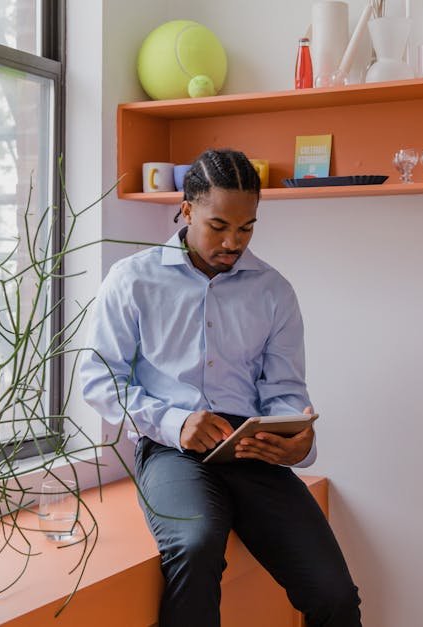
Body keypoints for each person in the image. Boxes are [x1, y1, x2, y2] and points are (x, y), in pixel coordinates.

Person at [79, 148, 362, 626]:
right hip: (169, 447)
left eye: (247, 227)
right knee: (194, 545)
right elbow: (98, 379)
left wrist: (296, 439)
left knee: (334, 592)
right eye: (219, 226)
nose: (234, 241)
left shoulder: (274, 291)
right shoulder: (132, 280)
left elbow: (285, 390)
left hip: (249, 447)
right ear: (187, 210)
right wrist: (175, 422)